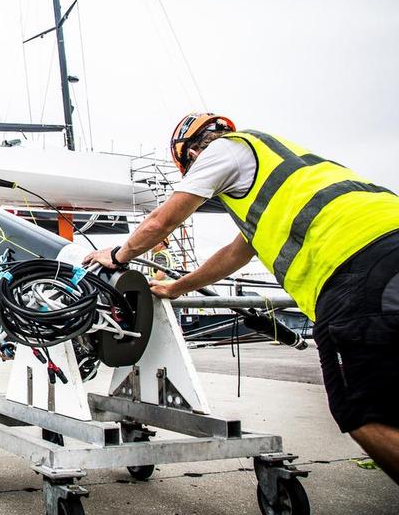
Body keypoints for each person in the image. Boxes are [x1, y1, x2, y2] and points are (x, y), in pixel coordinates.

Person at [83, 113, 399, 484]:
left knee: (364, 413)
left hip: (356, 266)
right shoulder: (282, 170)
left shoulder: (223, 150)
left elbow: (162, 221)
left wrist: (118, 255)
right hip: (385, 243)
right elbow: (236, 254)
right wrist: (176, 288)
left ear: (190, 154)